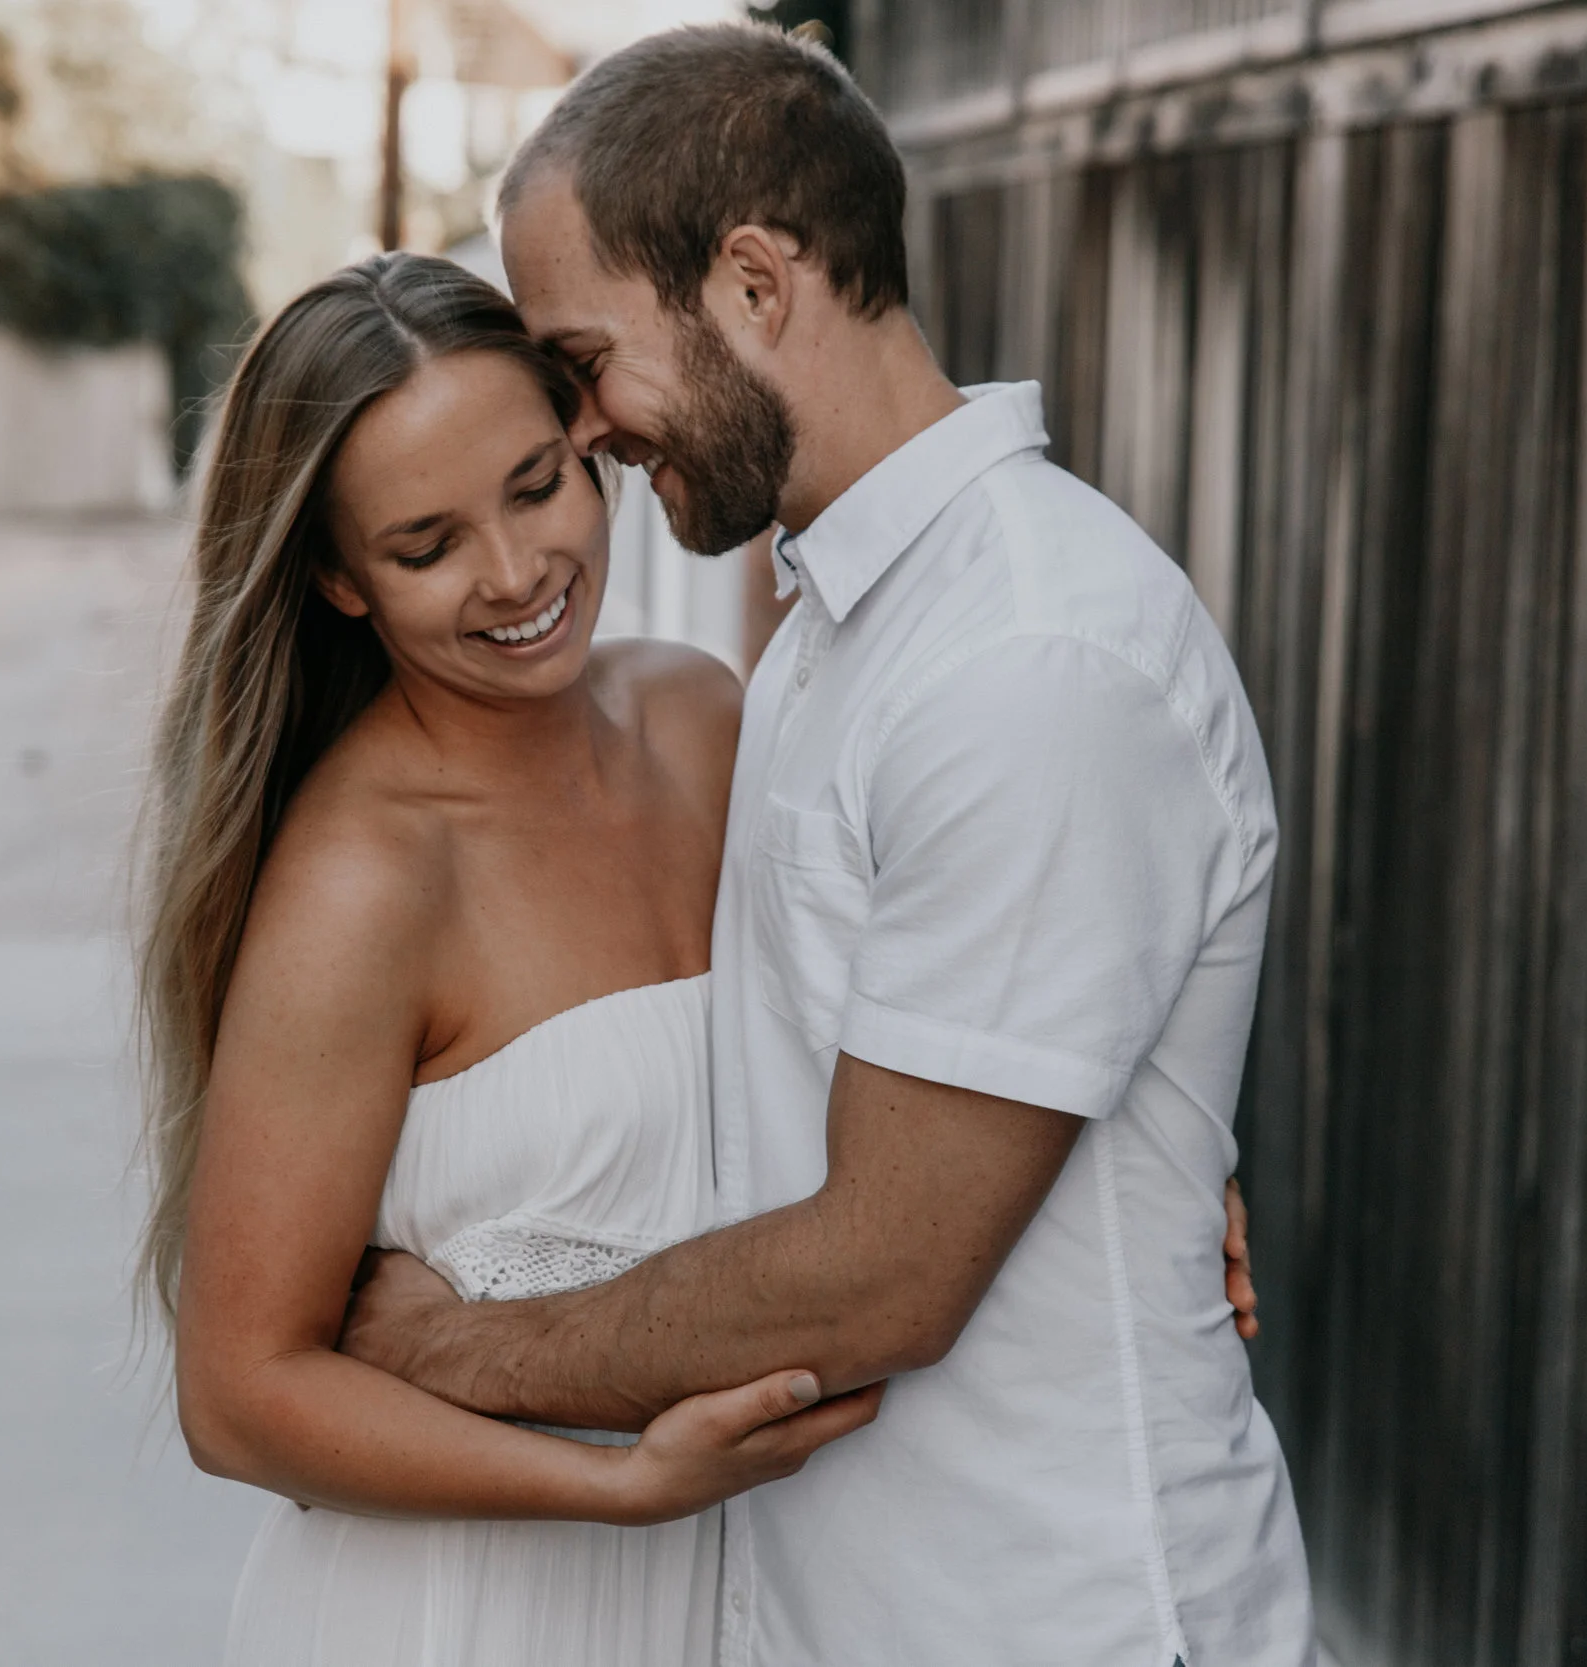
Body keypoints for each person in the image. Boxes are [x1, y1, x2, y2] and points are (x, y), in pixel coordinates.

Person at [337, 22, 1316, 1666]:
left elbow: (882, 1277)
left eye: (585, 360)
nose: (582, 432)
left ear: (753, 283)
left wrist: (451, 1346)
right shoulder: (843, 626)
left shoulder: (1027, 656)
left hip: (1056, 1614)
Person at [138, 252, 881, 1667]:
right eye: (425, 546)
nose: (518, 571)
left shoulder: (701, 717)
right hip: (473, 1609)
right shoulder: (367, 880)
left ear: (584, 435)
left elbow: (901, 1014)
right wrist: (617, 1486)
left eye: (536, 485)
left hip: (748, 1583)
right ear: (341, 582)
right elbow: (238, 1391)